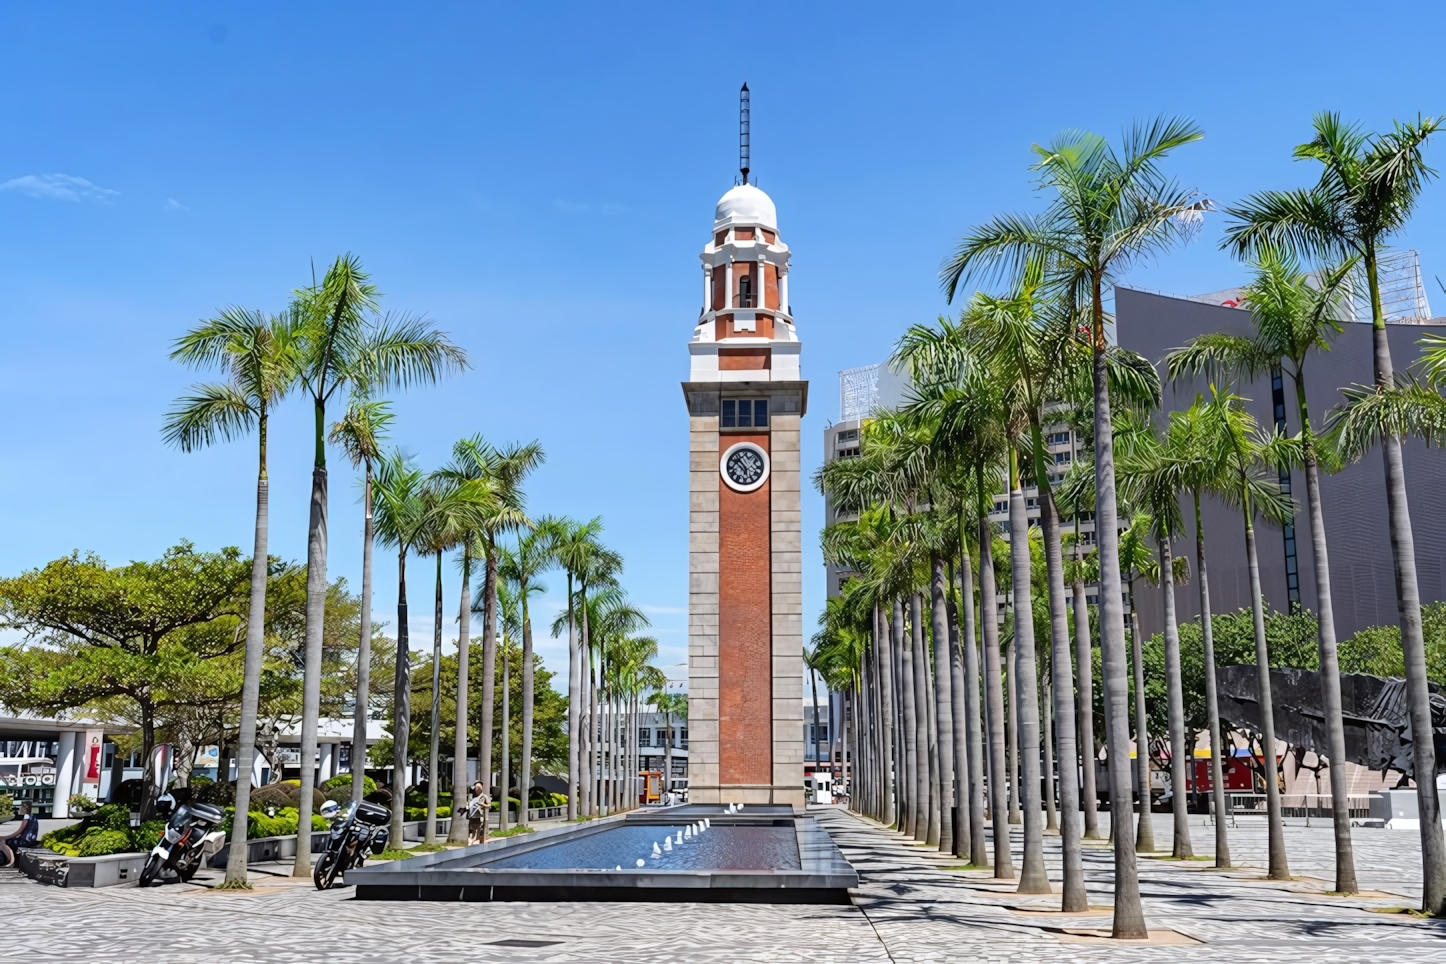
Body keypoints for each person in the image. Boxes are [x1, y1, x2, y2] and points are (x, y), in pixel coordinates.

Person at [1, 802, 39, 866]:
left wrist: (6, 837)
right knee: (4, 841)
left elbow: (20, 831)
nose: (20, 809)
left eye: (21, 807)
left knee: (4, 842)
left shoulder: (26, 816)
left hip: (25, 841)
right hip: (29, 840)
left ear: (25, 808)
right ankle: (9, 861)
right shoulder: (33, 816)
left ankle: (11, 861)